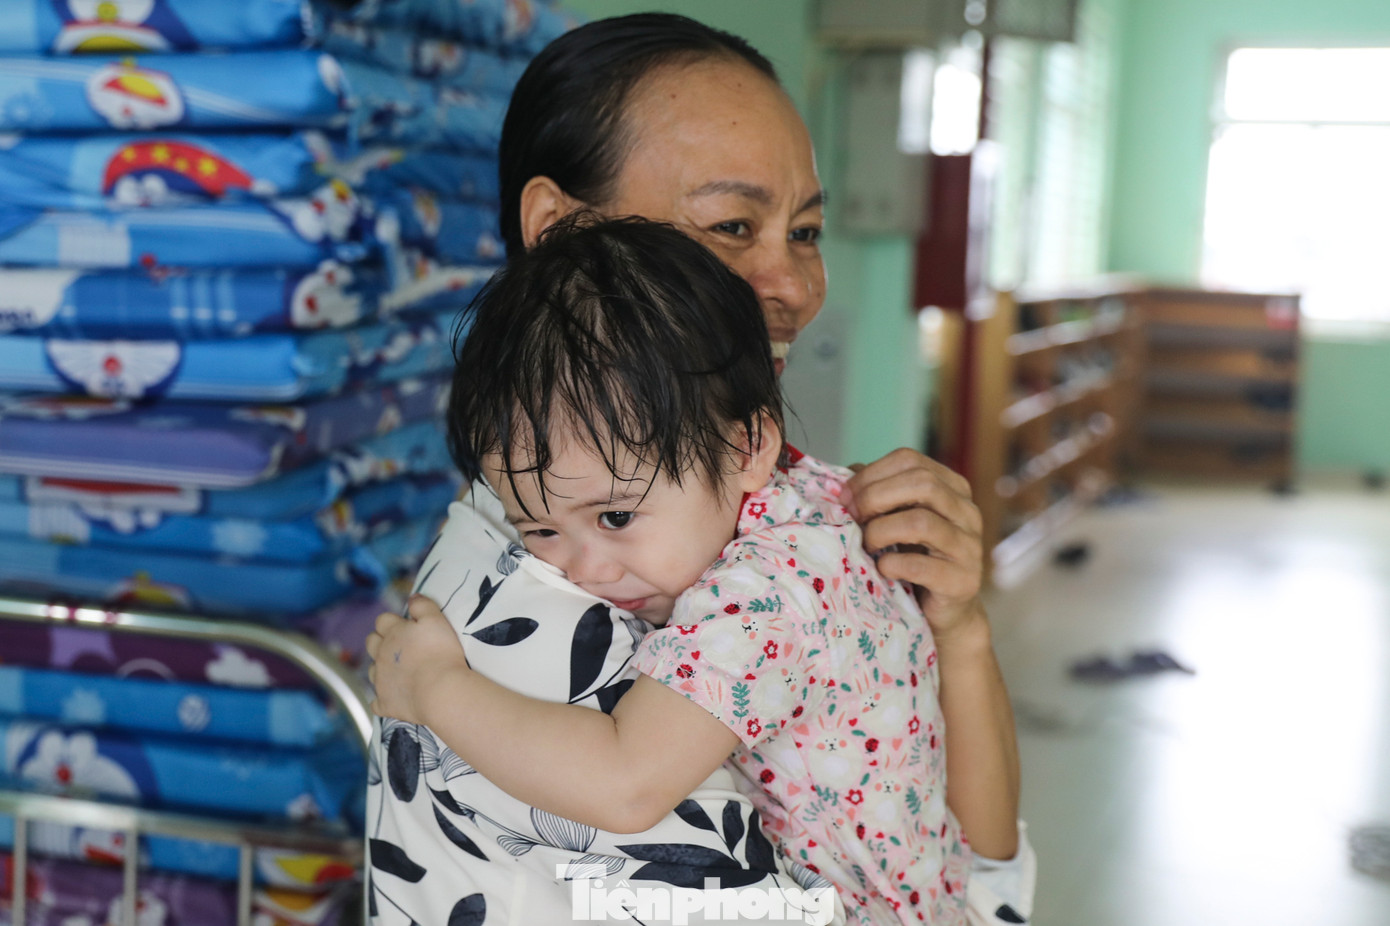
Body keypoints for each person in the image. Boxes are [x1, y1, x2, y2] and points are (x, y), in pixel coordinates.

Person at [364, 11, 1030, 926]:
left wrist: (957, 630)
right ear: (560, 229)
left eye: (803, 230)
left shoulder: (777, 537)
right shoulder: (529, 609)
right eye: (730, 224)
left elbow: (979, 849)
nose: (794, 285)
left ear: (751, 444)